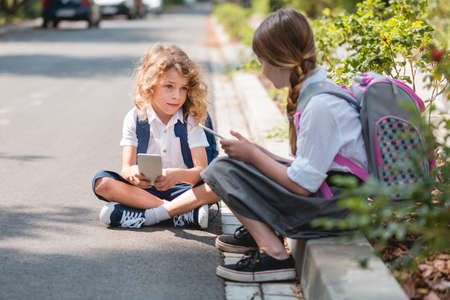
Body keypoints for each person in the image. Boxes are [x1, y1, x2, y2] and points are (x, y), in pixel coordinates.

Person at [117, 8, 368, 282]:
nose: (262, 70)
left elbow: (301, 184)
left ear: (280, 60)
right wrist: (256, 152)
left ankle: (274, 254)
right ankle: (260, 233)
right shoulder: (319, 94)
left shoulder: (320, 106)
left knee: (218, 171)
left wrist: (253, 156)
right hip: (333, 200)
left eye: (263, 61)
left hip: (333, 211)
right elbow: (309, 169)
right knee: (233, 165)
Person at [92, 43, 211, 229]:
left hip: (184, 191)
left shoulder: (190, 119)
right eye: (169, 86)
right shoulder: (135, 117)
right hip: (144, 191)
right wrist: (133, 174)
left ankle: (141, 214)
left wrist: (176, 175)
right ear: (150, 84)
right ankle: (177, 213)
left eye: (183, 88)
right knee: (102, 183)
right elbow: (126, 168)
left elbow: (202, 171)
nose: (177, 96)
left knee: (218, 184)